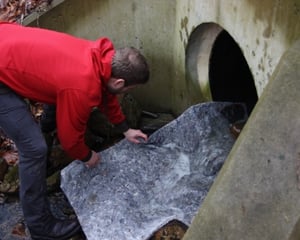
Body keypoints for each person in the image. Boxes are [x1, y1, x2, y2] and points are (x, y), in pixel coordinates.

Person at [0, 21, 149, 240]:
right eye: (130, 88)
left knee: (59, 88)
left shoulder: (98, 56)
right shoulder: (81, 85)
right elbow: (71, 140)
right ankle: (41, 227)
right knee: (34, 149)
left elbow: (106, 93)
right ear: (119, 81)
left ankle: (47, 131)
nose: (126, 91)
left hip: (6, 38)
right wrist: (87, 156)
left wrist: (125, 129)